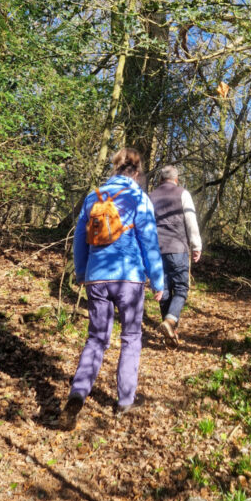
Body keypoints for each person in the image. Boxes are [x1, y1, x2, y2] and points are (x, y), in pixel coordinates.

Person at [59, 148, 164, 428]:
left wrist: (81, 271)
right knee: (130, 337)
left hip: (96, 276)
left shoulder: (94, 196)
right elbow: (150, 242)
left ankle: (78, 394)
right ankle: (124, 401)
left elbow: (80, 239)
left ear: (115, 168)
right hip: (128, 277)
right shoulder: (139, 198)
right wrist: (158, 279)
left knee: (96, 338)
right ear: (137, 173)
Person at [149, 165, 202, 347]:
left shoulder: (150, 197)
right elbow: (191, 220)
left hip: (155, 251)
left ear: (160, 180)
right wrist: (196, 246)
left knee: (162, 291)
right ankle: (170, 321)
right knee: (180, 288)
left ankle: (170, 333)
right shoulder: (182, 194)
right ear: (176, 179)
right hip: (177, 248)